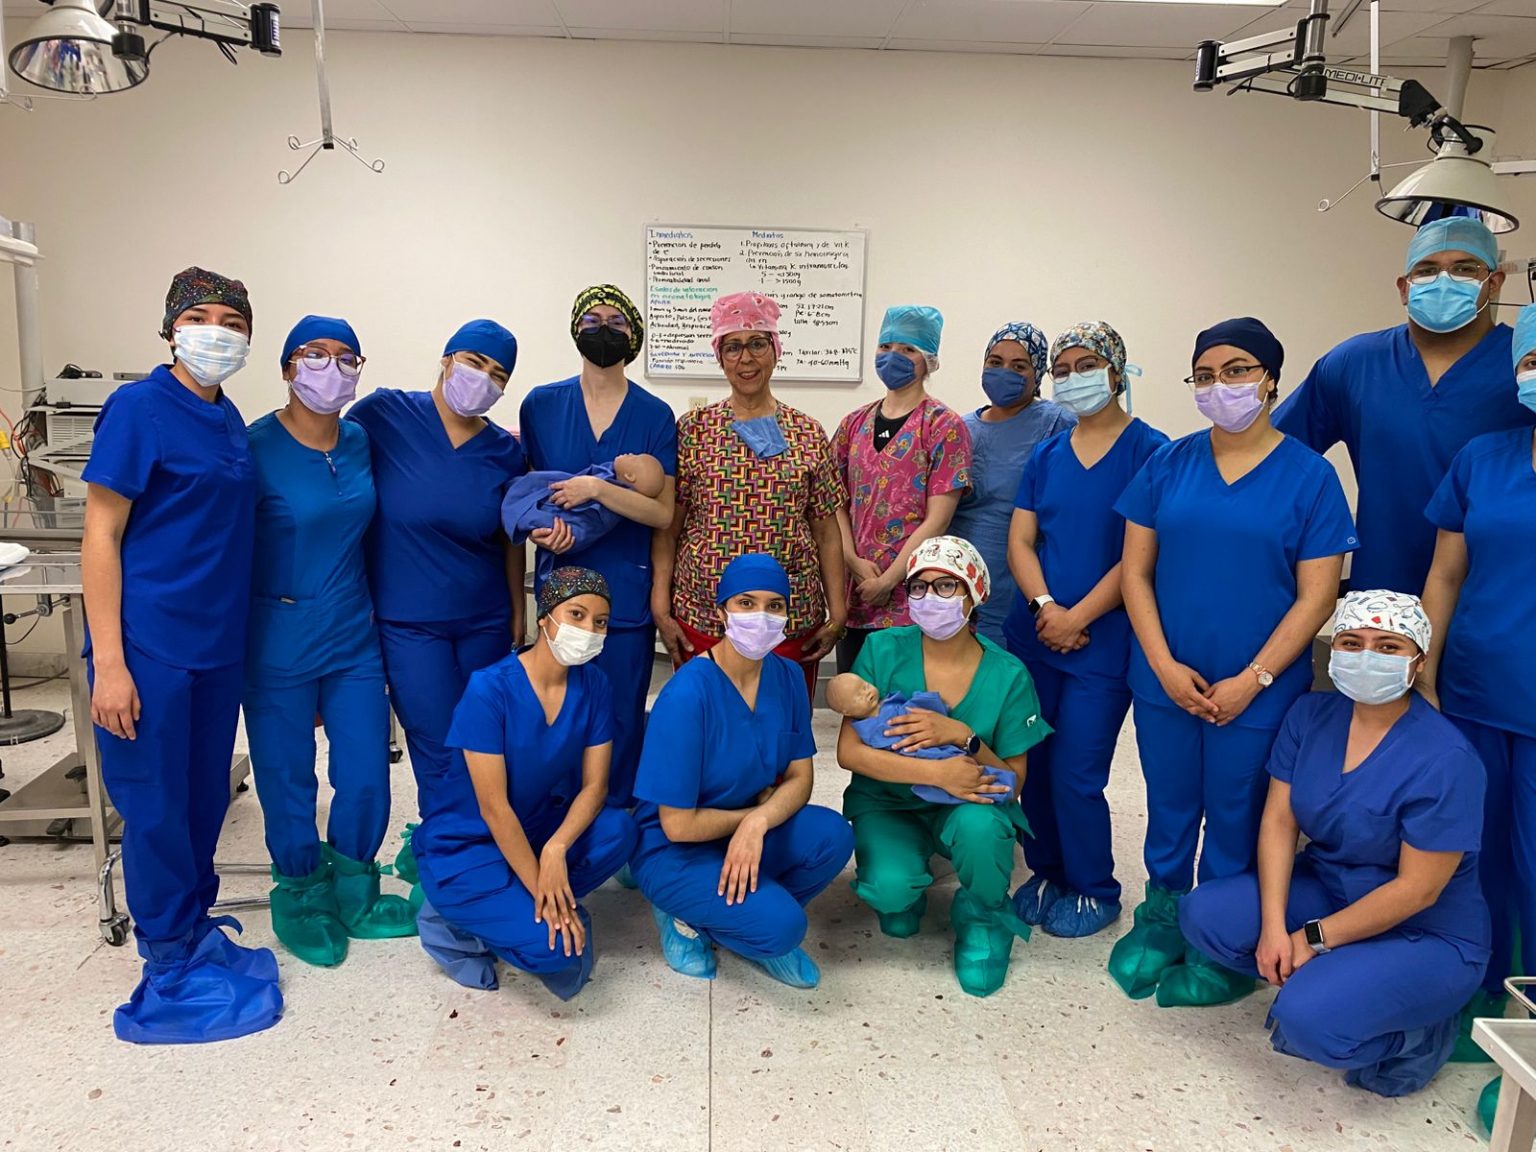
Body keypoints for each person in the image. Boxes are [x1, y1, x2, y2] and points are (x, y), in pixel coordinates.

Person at [1111, 317, 1357, 1007]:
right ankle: (1161, 917)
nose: (1220, 385)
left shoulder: (1311, 477)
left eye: (1238, 370)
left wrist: (1254, 679)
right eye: (1205, 374)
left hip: (1260, 689)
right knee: (1168, 804)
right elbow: (1135, 574)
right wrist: (1161, 664)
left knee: (1235, 813)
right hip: (1166, 677)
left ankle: (1216, 941)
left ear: (1272, 379)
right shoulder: (1168, 464)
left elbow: (1317, 597)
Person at [1179, 591, 1488, 1098]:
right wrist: (1275, 928)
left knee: (1308, 1021)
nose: (1367, 657)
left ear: (1418, 661)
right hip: (1329, 888)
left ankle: (1420, 1036)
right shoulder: (1310, 715)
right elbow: (1279, 822)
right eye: (1352, 642)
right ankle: (1343, 981)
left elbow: (1418, 890)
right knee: (1205, 915)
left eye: (1388, 646)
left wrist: (1313, 938)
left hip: (1427, 931)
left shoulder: (1446, 758)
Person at [82, 267, 282, 1043]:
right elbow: (102, 536)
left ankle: (194, 930)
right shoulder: (139, 408)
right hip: (150, 646)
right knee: (157, 807)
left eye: (233, 322)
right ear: (171, 329)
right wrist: (110, 663)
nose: (217, 333)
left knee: (202, 799)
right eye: (200, 319)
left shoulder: (227, 418)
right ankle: (167, 963)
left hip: (215, 647)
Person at [244, 315, 415, 968]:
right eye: (315, 355)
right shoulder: (255, 447)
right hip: (277, 636)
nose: (331, 368)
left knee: (367, 768)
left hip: (352, 634)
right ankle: (300, 894)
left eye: (347, 357)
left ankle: (355, 888)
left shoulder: (359, 441)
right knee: (287, 775)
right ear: (287, 367)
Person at [347, 319, 527, 894]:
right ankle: (446, 860)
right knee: (434, 742)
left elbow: (509, 536)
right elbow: (335, 472)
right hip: (409, 621)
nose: (483, 379)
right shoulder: (384, 415)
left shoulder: (504, 452)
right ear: (448, 359)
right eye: (475, 362)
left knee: (483, 740)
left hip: (484, 618)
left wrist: (517, 609)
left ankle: (462, 845)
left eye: (498, 374)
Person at [1004, 321, 1169, 939]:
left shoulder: (1152, 451)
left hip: (1104, 640)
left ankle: (1093, 886)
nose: (1073, 378)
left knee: (1077, 770)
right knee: (1035, 761)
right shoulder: (1047, 454)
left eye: (1087, 366)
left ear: (1117, 372)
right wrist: (1046, 606)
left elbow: (1139, 556)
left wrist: (1077, 616)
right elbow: (1021, 540)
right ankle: (1047, 870)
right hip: (1036, 632)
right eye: (1062, 370)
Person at [837, 535, 1051, 998]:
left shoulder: (1008, 674)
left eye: (946, 586)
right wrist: (935, 774)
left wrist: (962, 737)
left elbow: (1013, 783)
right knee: (892, 897)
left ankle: (983, 916)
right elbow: (849, 753)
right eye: (919, 586)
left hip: (965, 804)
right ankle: (907, 877)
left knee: (981, 828)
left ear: (975, 595)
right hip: (889, 803)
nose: (929, 597)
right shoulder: (882, 650)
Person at [411, 568, 636, 1000]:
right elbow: (494, 809)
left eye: (601, 622)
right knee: (559, 951)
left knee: (619, 830)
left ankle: (520, 903)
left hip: (533, 829)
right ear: (544, 617)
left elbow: (595, 787)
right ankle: (448, 919)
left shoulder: (594, 685)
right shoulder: (490, 690)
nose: (589, 630)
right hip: (468, 843)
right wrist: (545, 895)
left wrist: (555, 850)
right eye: (576, 614)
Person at [1275, 217, 1532, 595]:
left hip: (1495, 596)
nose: (1443, 280)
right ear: (1403, 287)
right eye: (1426, 270)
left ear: (1494, 283)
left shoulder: (1524, 368)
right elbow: (1270, 460)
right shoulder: (1354, 363)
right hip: (1382, 597)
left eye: (1464, 269)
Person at [632, 553, 855, 988]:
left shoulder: (787, 677)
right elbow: (677, 825)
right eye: (746, 603)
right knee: (784, 928)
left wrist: (758, 822)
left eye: (775, 606)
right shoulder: (687, 695)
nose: (761, 616)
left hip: (741, 827)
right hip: (674, 849)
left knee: (833, 836)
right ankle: (683, 914)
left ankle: (744, 910)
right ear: (722, 611)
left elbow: (801, 778)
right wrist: (750, 819)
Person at [1422, 304, 1536, 1091]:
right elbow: (1445, 573)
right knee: (1475, 853)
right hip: (1472, 689)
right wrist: (1425, 669)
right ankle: (1478, 988)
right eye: (1532, 360)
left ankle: (1529, 1032)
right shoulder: (1482, 458)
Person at [518, 286, 678, 808]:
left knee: (620, 715)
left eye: (616, 321)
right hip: (560, 585)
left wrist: (598, 490)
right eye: (591, 320)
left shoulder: (654, 414)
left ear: (634, 335)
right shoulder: (541, 405)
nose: (602, 329)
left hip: (626, 591)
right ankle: (555, 821)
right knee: (556, 709)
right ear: (574, 329)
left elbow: (662, 513)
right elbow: (528, 491)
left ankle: (616, 821)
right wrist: (538, 528)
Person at [652, 292, 846, 701]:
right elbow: (669, 526)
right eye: (733, 346)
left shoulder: (807, 433)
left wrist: (838, 611)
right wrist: (660, 607)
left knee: (780, 726)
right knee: (707, 724)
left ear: (775, 349)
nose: (746, 358)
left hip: (788, 619)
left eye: (758, 343)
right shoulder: (694, 430)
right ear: (719, 357)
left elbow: (827, 532)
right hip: (705, 616)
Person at [834, 305, 971, 672]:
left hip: (915, 596)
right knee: (854, 693)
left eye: (908, 349)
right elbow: (834, 503)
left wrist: (888, 580)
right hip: (856, 594)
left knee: (905, 697)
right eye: (886, 346)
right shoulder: (853, 424)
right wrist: (853, 562)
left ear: (928, 361)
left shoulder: (943, 426)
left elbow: (937, 520)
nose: (893, 357)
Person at [948, 322, 1075, 647]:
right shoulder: (960, 428)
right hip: (958, 581)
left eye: (1019, 366)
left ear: (1038, 374)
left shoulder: (1056, 423)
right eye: (995, 362)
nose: (1004, 372)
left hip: (1019, 585)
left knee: (1009, 670)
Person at [826, 673, 1019, 800]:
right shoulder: (869, 729)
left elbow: (919, 710)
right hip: (919, 753)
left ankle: (1005, 787)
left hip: (937, 740)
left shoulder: (889, 700)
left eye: (865, 685)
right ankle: (999, 791)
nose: (866, 692)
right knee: (964, 773)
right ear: (846, 712)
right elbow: (886, 747)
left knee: (969, 765)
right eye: (858, 696)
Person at [501, 452, 666, 583]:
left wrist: (596, 488)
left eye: (635, 458)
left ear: (629, 476)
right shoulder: (609, 472)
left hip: (574, 532)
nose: (630, 453)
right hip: (560, 578)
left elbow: (663, 517)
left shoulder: (614, 496)